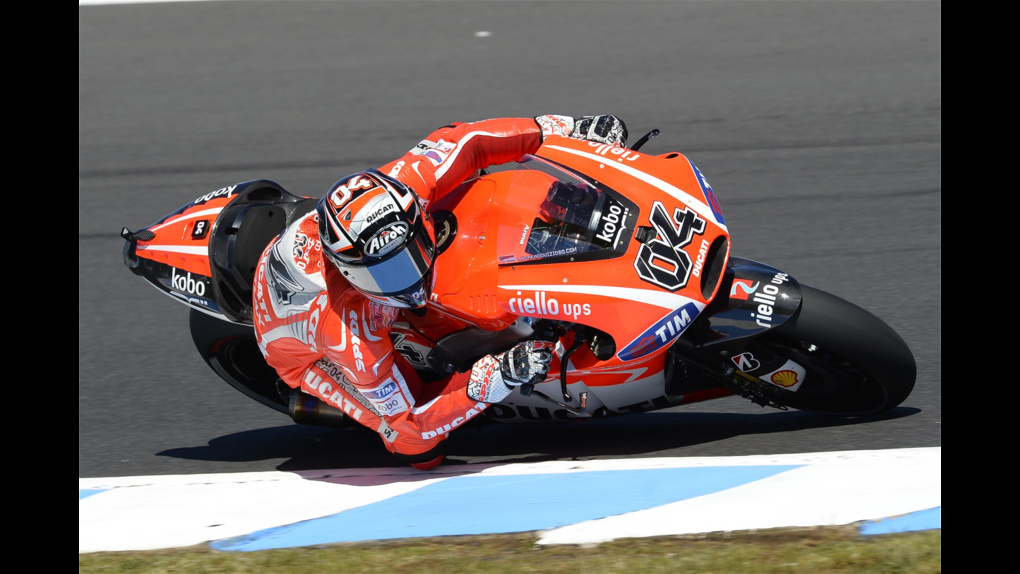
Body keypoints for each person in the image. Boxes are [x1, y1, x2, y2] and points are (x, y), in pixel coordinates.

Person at [252, 115, 628, 469]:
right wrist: (497, 378)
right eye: (387, 274)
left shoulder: (403, 186)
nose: (409, 280)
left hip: (316, 256)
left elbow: (468, 141)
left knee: (469, 184)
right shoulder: (349, 336)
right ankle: (319, 402)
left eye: (410, 253)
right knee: (423, 449)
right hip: (297, 343)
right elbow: (410, 427)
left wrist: (564, 128)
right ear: (351, 273)